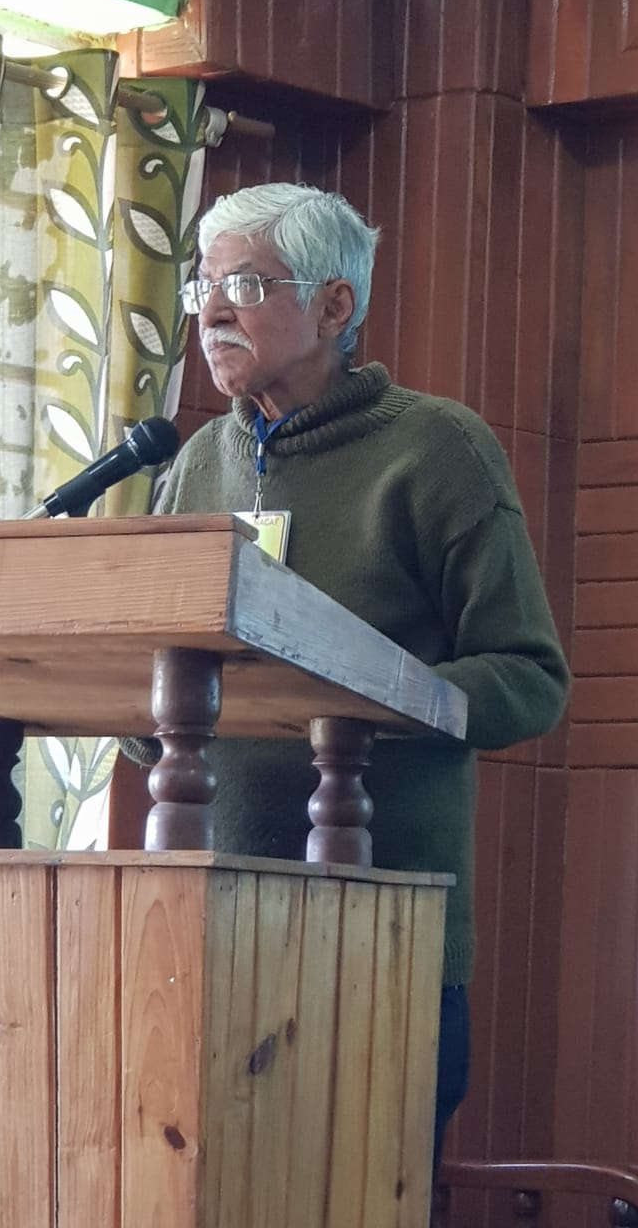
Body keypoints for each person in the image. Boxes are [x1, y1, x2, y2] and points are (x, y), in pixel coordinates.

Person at [122, 181, 570, 1169]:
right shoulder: (196, 462)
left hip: (379, 930)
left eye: (246, 284)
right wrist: (128, 702)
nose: (212, 310)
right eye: (203, 285)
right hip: (205, 925)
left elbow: (529, 677)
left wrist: (366, 701)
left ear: (335, 305)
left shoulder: (437, 449)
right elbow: (158, 684)